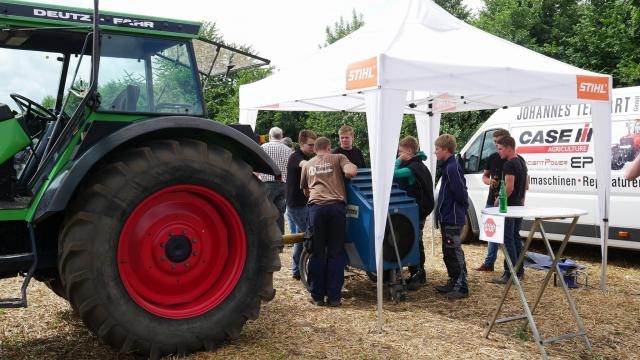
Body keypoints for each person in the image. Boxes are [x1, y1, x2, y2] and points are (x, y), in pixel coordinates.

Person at [301, 137, 357, 306]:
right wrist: (350, 168)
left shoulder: (308, 164)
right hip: (336, 208)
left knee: (317, 252)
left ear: (315, 149)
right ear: (329, 147)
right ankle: (334, 297)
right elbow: (351, 172)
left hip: (316, 208)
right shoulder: (338, 157)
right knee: (335, 252)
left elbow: (305, 191)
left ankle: (317, 296)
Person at [393, 136, 434, 290]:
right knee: (416, 240)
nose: (399, 154)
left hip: (416, 211)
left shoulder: (411, 168)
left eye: (401, 152)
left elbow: (393, 173)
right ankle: (417, 272)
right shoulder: (420, 164)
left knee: (414, 240)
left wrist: (398, 161)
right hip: (421, 209)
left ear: (409, 151)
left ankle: (418, 273)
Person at [433, 134, 470, 299]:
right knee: (447, 251)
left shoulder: (452, 167)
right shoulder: (448, 165)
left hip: (453, 217)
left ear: (446, 150)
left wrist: (461, 207)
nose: (435, 152)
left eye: (437, 149)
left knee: (454, 250)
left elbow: (460, 191)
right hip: (446, 216)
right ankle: (453, 279)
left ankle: (462, 285)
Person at [490, 135, 528, 284]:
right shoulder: (521, 161)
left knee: (508, 239)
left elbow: (509, 188)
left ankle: (511, 272)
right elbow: (525, 185)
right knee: (515, 238)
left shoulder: (509, 165)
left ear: (508, 148)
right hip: (518, 205)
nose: (498, 152)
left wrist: (499, 200)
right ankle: (519, 271)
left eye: (500, 149)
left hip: (510, 207)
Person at [475, 128, 510, 272]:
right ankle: (489, 263)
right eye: (494, 142)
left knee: (508, 235)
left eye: (499, 142)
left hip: (506, 202)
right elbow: (484, 176)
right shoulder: (492, 157)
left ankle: (510, 267)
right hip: (492, 199)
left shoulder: (513, 159)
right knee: (491, 232)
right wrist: (489, 182)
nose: (496, 145)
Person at [286, 130, 317, 280]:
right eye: (311, 145)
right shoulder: (296, 157)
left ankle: (296, 271)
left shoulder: (303, 156)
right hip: (296, 205)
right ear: (302, 144)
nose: (313, 148)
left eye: (315, 145)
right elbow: (305, 165)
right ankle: (306, 269)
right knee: (311, 236)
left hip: (301, 203)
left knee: (301, 238)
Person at [258, 126, 292, 233]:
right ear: (281, 137)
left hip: (267, 183)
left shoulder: (263, 147)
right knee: (280, 212)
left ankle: (267, 235)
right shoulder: (288, 150)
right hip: (283, 184)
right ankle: (280, 238)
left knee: (266, 211)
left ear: (269, 136)